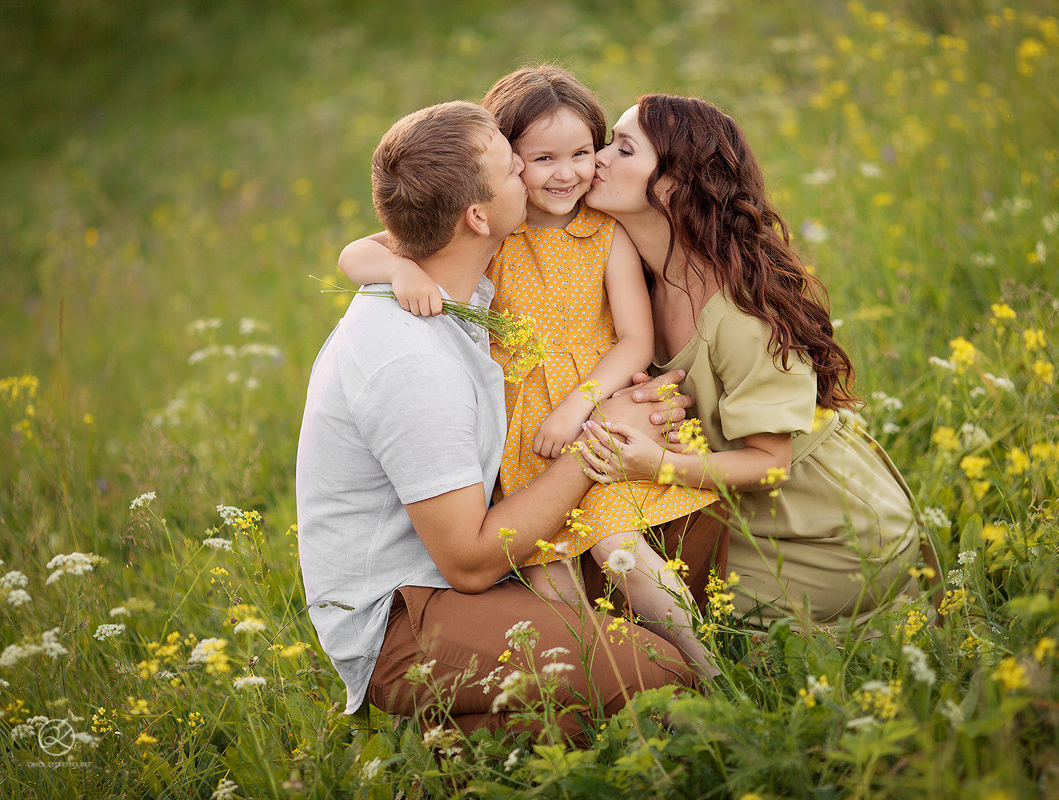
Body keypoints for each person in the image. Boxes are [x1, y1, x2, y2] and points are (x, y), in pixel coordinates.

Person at [295, 100, 709, 740]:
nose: (532, 167)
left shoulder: (464, 275)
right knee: (656, 675)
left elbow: (384, 244)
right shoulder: (410, 358)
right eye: (515, 165)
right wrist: (602, 439)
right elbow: (468, 562)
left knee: (701, 550)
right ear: (479, 216)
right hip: (412, 603)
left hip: (490, 538)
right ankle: (466, 750)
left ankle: (530, 719)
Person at [576, 94, 943, 629]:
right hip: (746, 510)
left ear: (675, 186)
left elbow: (770, 463)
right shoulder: (639, 277)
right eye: (611, 142)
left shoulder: (737, 311)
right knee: (622, 573)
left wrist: (657, 466)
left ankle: (890, 607)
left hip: (829, 525)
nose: (600, 158)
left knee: (653, 598)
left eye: (625, 149)